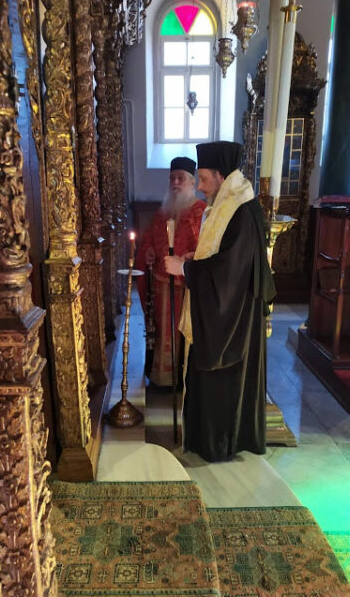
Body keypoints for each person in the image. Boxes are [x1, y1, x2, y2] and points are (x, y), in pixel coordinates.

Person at [164, 141, 276, 461]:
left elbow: (229, 273)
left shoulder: (241, 210)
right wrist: (195, 259)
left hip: (233, 320)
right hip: (227, 310)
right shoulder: (228, 203)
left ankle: (220, 444)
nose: (199, 187)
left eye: (202, 178)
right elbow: (222, 256)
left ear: (220, 175)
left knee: (221, 382)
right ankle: (205, 440)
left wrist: (184, 268)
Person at [136, 157, 207, 386]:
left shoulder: (201, 211)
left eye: (181, 178)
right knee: (160, 330)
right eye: (172, 178)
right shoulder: (163, 210)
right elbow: (149, 238)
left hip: (185, 286)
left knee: (182, 331)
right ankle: (162, 377)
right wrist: (148, 252)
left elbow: (205, 247)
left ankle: (182, 378)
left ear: (192, 182)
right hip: (160, 285)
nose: (175, 182)